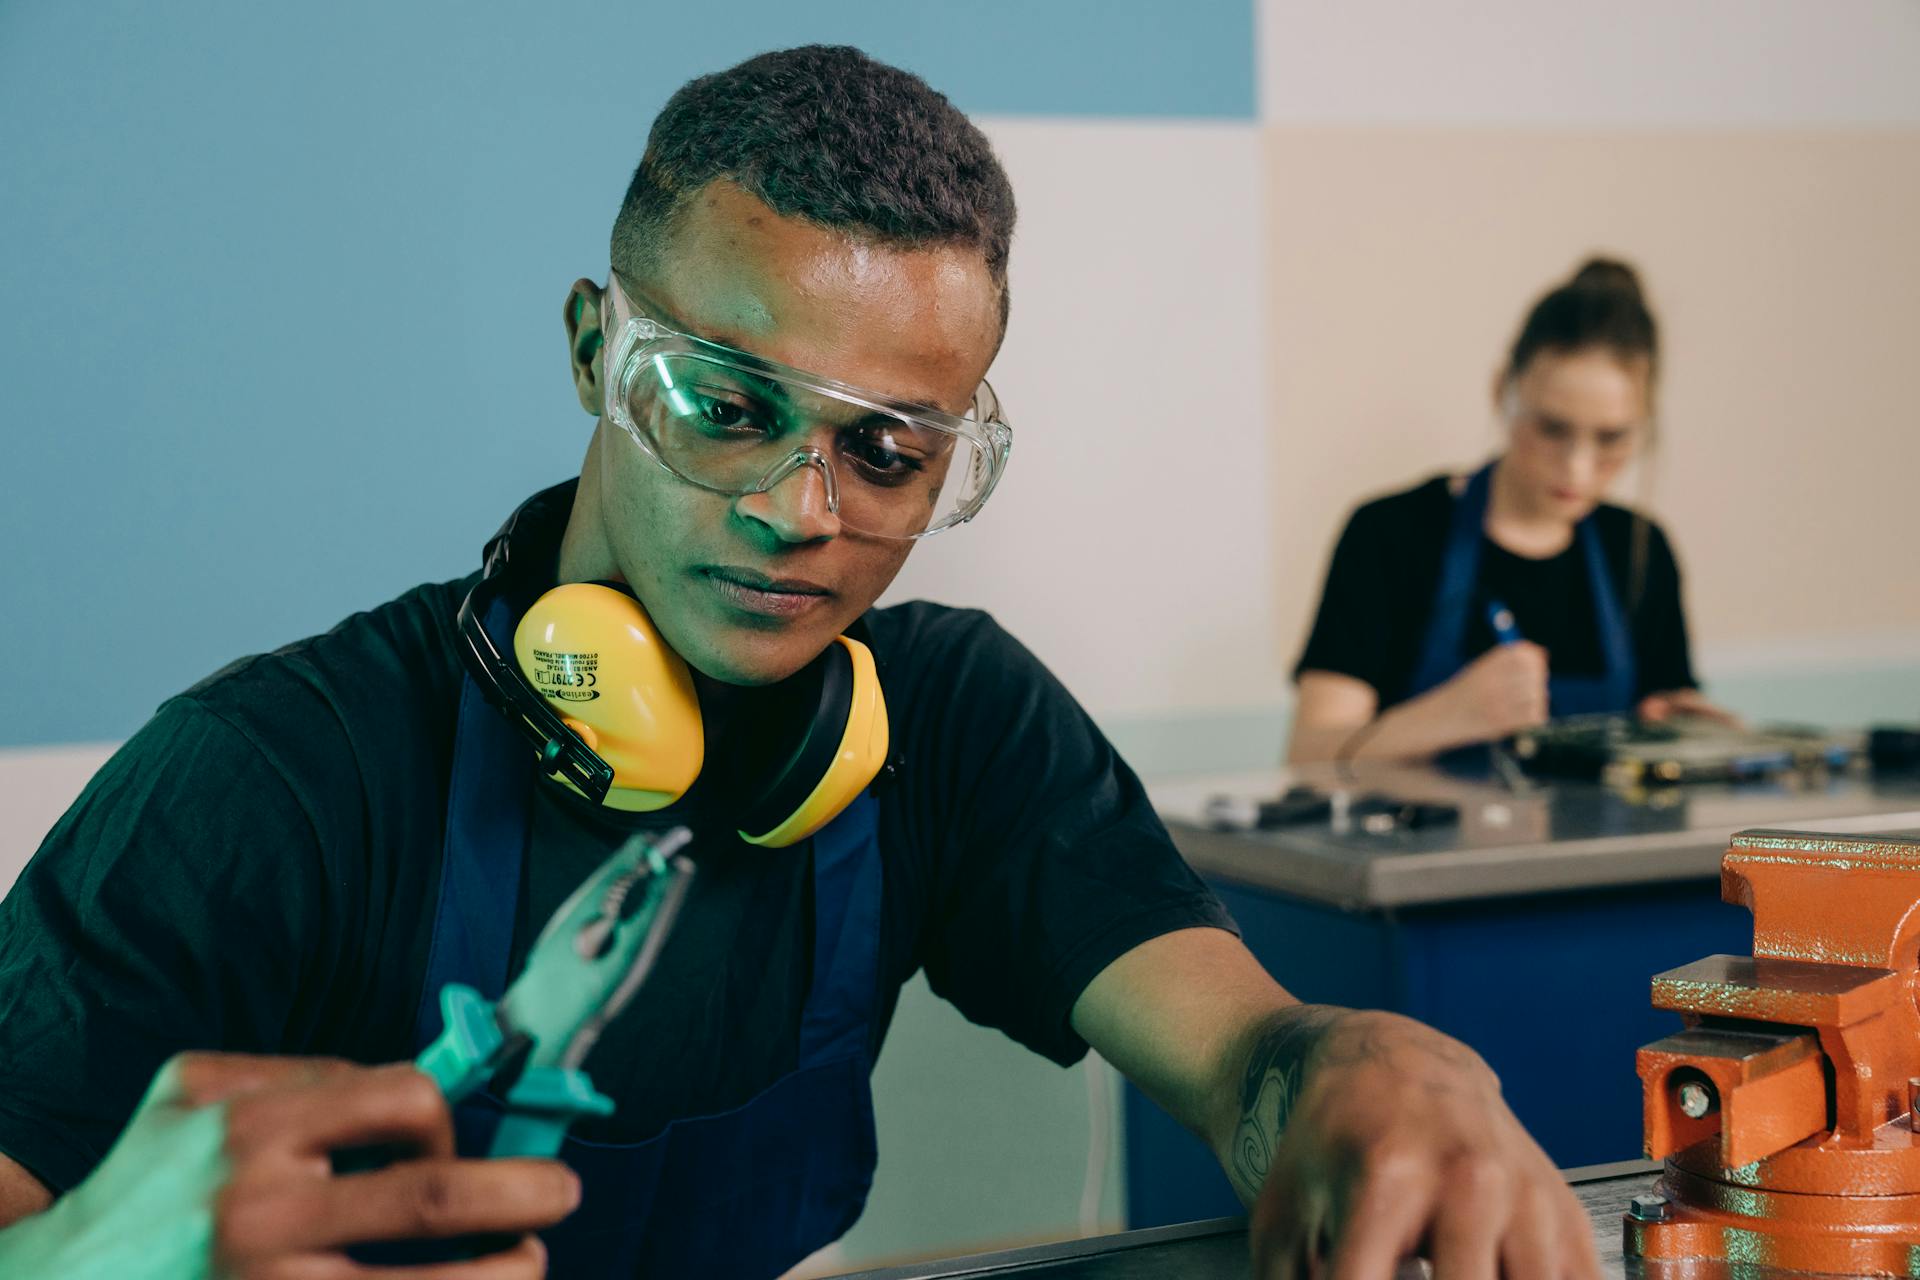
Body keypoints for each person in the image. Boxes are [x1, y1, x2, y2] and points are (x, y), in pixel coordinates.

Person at [0, 47, 1600, 1280]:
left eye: (890, 451)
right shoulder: (271, 779)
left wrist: (1368, 1061)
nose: (796, 514)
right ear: (591, 353)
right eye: (728, 405)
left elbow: (1251, 1055)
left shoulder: (953, 726)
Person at [1288, 258, 1734, 765]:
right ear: (1503, 391)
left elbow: (1659, 734)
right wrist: (1445, 716)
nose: (1579, 469)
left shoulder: (1639, 549)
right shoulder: (1390, 535)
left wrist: (1680, 735)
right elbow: (1306, 761)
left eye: (1611, 439)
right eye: (1551, 429)